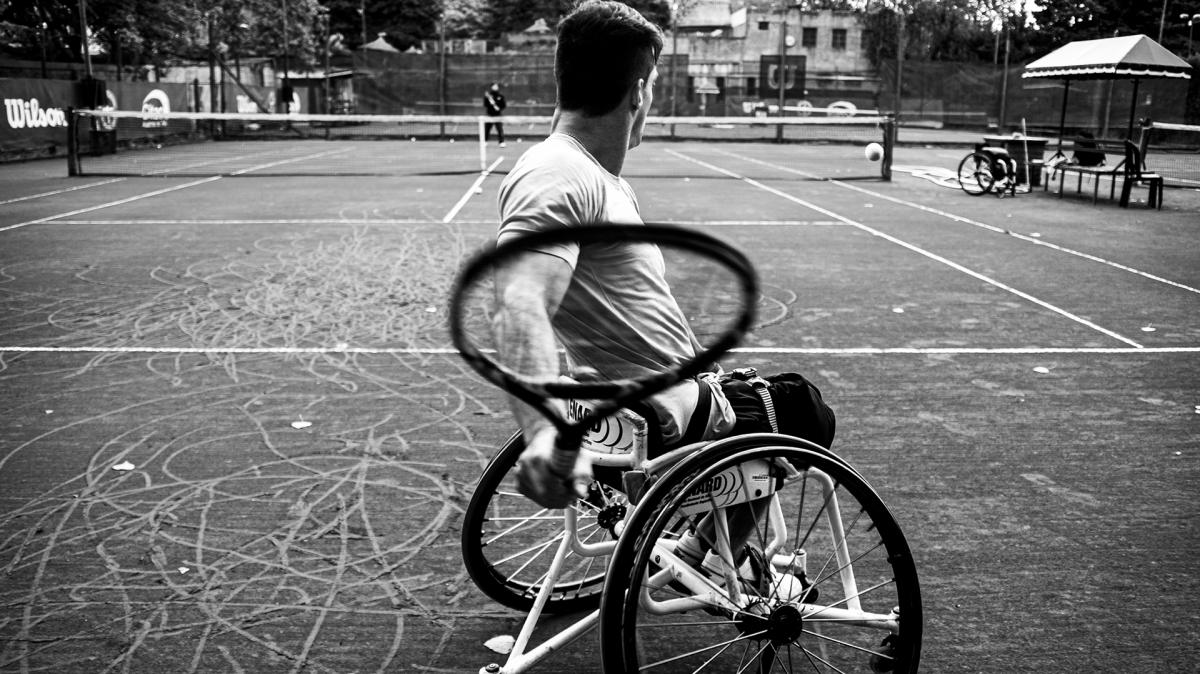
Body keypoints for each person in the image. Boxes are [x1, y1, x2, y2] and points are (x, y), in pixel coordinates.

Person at [492, 0, 833, 512]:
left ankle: (707, 553)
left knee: (766, 412)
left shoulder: (592, 177)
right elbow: (520, 301)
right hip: (664, 415)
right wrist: (543, 432)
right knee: (805, 410)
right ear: (638, 92)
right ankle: (703, 560)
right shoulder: (560, 172)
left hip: (660, 399)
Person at [483, 82, 506, 147]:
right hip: (489, 115)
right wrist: (491, 104)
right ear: (491, 87)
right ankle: (485, 141)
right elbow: (485, 104)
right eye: (494, 86)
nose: (495, 87)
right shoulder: (488, 96)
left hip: (498, 115)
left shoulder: (500, 96)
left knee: (499, 129)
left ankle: (501, 142)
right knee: (487, 129)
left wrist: (499, 108)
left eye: (496, 86)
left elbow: (503, 105)